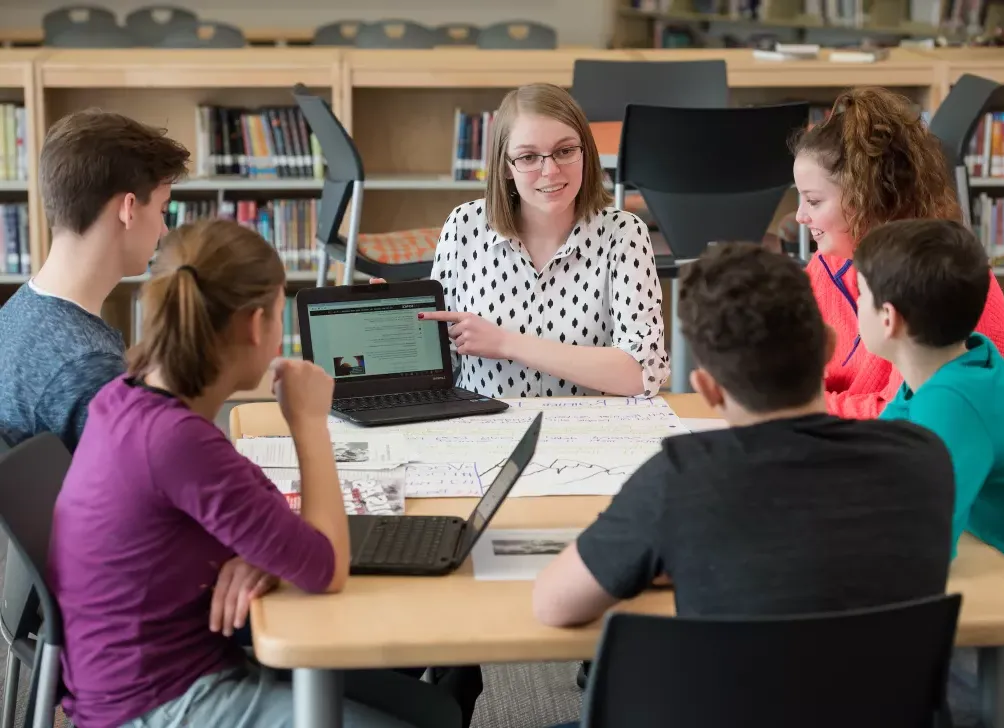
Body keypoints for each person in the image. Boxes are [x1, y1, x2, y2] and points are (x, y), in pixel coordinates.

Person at [47, 219, 461, 728]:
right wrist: (308, 423)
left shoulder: (129, 396)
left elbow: (259, 501)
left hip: (153, 672)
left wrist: (262, 551)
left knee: (437, 713)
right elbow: (326, 570)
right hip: (158, 702)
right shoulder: (177, 441)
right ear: (254, 324)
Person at [532, 243, 955, 634]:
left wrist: (678, 552)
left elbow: (555, 606)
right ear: (829, 346)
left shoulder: (678, 480)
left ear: (707, 387)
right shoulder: (925, 457)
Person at [854, 218, 1004, 727]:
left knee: (846, 669)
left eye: (859, 296)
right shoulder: (959, 364)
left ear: (888, 318)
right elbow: (878, 462)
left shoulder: (956, 401)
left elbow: (918, 549)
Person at [424, 82, 669, 399]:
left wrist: (506, 343)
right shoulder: (463, 226)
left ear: (586, 153)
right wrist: (396, 322)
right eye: (528, 157)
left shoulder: (624, 234)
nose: (550, 170)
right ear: (506, 167)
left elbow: (641, 374)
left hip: (590, 436)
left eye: (565, 151)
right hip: (484, 432)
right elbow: (436, 360)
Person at [791, 85, 1004, 420]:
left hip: (931, 449)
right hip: (857, 443)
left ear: (866, 196)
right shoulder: (828, 264)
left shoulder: (934, 281)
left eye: (813, 201)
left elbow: (908, 416)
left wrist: (805, 407)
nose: (799, 216)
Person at [0, 109, 190, 452]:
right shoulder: (87, 367)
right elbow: (140, 498)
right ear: (128, 209)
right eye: (163, 210)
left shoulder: (17, 312)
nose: (164, 231)